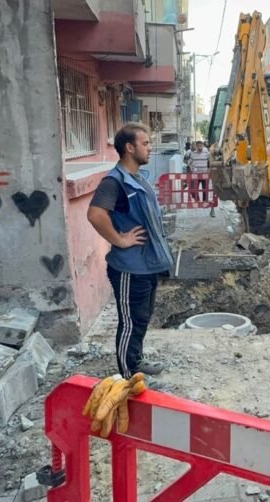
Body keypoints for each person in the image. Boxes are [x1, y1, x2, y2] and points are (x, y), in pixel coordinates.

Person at [87, 123, 174, 378]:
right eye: (145, 143)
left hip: (147, 265)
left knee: (142, 319)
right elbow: (95, 214)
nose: (149, 148)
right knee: (130, 322)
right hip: (129, 268)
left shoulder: (137, 179)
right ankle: (127, 376)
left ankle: (136, 361)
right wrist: (120, 240)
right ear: (129, 147)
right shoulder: (114, 182)